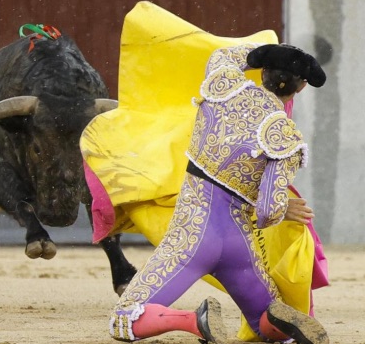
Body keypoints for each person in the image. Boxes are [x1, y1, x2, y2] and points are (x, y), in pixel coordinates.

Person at [105, 42, 328, 344]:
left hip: (192, 234)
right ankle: (281, 324)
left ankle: (193, 321)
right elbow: (268, 210)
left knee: (124, 320)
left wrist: (265, 53)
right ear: (300, 89)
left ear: (263, 73)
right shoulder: (284, 135)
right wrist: (282, 208)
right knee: (265, 325)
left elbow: (224, 55)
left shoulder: (224, 85)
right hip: (239, 244)